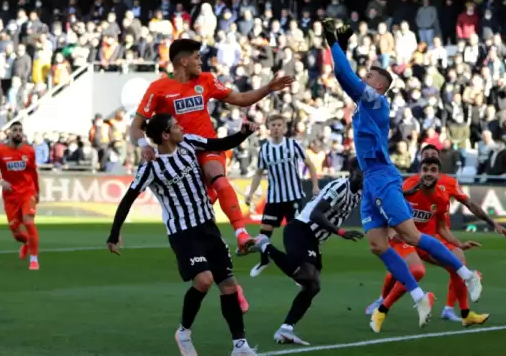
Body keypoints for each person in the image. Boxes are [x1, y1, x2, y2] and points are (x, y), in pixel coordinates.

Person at [323, 18, 482, 328]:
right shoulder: (367, 102)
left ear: (379, 85)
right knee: (377, 245)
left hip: (382, 176)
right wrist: (339, 47)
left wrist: (334, 44)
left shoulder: (375, 99)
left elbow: (343, 76)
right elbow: (345, 78)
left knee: (411, 235)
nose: (363, 78)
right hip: (371, 180)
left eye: (368, 75)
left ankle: (467, 275)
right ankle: (419, 296)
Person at [107, 113, 259, 356]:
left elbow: (218, 144)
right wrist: (114, 233)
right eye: (176, 126)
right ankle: (183, 331)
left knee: (229, 286)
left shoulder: (188, 142)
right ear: (166, 135)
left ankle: (239, 345)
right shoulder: (151, 165)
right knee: (204, 279)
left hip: (207, 226)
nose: (181, 128)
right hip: (182, 232)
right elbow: (128, 199)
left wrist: (243, 134)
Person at [131, 38, 294, 254]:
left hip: (208, 146)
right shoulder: (159, 88)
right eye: (197, 57)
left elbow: (241, 98)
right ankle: (202, 246)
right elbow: (136, 126)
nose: (201, 62)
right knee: (202, 204)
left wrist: (268, 89)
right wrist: (143, 144)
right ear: (183, 61)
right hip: (182, 155)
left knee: (218, 177)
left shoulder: (206, 80)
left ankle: (241, 234)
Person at [366, 145, 506, 325]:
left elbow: (450, 220)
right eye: (426, 161)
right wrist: (392, 230)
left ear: (439, 165)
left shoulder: (445, 189)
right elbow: (391, 207)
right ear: (420, 164)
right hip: (406, 238)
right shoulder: (409, 186)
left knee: (458, 260)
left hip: (429, 238)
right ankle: (382, 304)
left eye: (434, 161)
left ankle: (460, 312)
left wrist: (465, 239)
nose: (429, 169)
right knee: (408, 270)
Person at [253, 170, 364, 346]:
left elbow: (380, 194)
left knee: (312, 286)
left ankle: (286, 329)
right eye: (360, 173)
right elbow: (315, 214)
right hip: (301, 229)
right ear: (352, 173)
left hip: (313, 239)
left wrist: (405, 193)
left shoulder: (360, 191)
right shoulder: (340, 187)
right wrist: (340, 232)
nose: (364, 177)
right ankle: (265, 245)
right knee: (306, 276)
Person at [246, 114, 320, 277]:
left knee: (294, 235)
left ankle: (299, 268)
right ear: (268, 128)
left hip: (293, 197)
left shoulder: (293, 145)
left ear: (284, 128)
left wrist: (315, 186)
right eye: (273, 125)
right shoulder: (264, 149)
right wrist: (251, 192)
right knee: (264, 232)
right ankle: (264, 260)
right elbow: (258, 173)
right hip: (274, 199)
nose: (276, 128)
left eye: (279, 125)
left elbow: (310, 164)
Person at [0, 121, 41, 270]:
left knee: (29, 222)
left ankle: (34, 260)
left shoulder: (29, 151)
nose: (18, 132)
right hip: (10, 196)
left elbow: (33, 172)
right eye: (15, 130)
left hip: (27, 192)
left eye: (20, 130)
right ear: (9, 133)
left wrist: (37, 191)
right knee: (16, 233)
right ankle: (26, 242)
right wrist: (1, 181)